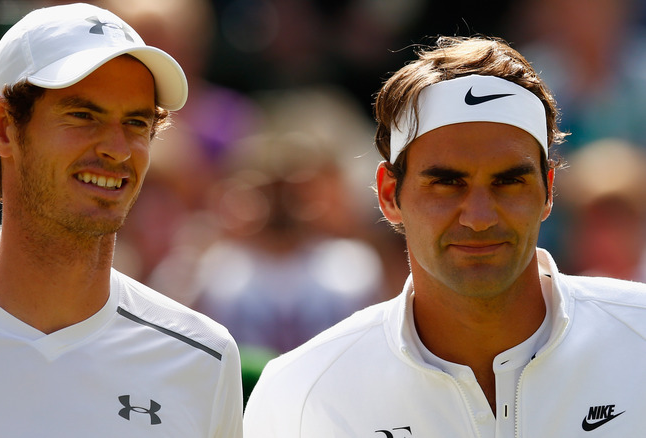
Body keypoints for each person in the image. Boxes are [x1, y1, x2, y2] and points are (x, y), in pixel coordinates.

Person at [0, 3, 243, 437]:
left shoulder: (204, 358)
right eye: (84, 116)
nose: (118, 149)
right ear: (3, 127)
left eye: (136, 123)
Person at [243, 36, 646, 437]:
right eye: (447, 183)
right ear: (389, 195)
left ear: (548, 191)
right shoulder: (301, 394)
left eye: (508, 182)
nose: (479, 217)